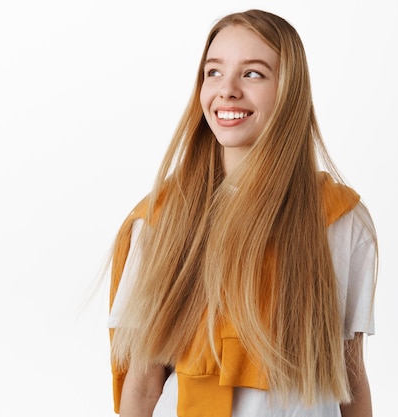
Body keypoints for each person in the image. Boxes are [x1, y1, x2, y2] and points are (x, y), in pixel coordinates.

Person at [107, 9, 377, 417]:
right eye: (213, 72)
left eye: (253, 74)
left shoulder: (340, 220)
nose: (227, 90)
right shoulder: (160, 221)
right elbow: (143, 386)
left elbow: (351, 378)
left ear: (290, 89)